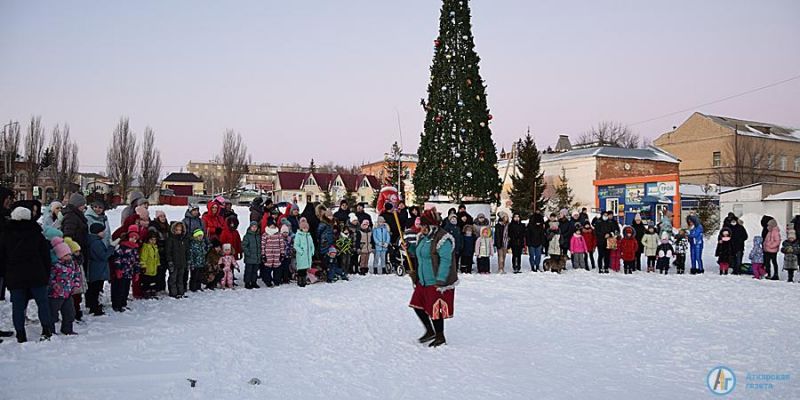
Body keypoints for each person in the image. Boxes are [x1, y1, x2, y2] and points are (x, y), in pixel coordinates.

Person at [0, 206, 53, 342]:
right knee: (42, 303)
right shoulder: (36, 233)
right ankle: (46, 330)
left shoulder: (6, 234)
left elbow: (2, 258)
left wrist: (6, 276)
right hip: (36, 274)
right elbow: (45, 256)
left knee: (17, 306)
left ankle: (20, 334)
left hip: (15, 275)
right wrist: (46, 274)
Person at [409, 208, 456, 348]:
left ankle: (440, 336)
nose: (421, 228)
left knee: (436, 310)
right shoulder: (423, 237)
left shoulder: (443, 239)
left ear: (431, 226)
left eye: (423, 226)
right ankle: (430, 331)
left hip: (435, 281)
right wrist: (410, 249)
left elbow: (446, 260)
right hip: (422, 280)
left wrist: (440, 279)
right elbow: (420, 253)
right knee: (417, 305)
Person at [48, 237, 81, 335]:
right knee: (53, 313)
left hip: (68, 293)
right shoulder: (56, 266)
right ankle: (50, 330)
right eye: (65, 255)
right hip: (56, 294)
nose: (68, 257)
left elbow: (77, 274)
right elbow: (50, 278)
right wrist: (54, 285)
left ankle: (67, 329)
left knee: (70, 313)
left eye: (69, 254)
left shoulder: (73, 264)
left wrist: (76, 284)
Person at [111, 225, 141, 312]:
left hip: (129, 272)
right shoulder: (122, 247)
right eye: (132, 237)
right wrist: (118, 269)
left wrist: (137, 272)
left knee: (126, 289)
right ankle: (117, 305)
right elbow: (117, 259)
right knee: (119, 288)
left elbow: (136, 261)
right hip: (121, 272)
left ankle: (123, 303)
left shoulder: (135, 248)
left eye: (135, 238)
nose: (133, 239)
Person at [86, 223, 114, 315]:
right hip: (98, 269)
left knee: (93, 289)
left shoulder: (91, 240)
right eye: (102, 231)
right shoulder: (96, 242)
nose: (104, 233)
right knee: (96, 289)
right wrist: (111, 248)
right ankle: (95, 308)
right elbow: (103, 256)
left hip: (94, 268)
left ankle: (92, 305)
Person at [149, 210, 170, 292]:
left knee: (163, 270)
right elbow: (153, 238)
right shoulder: (154, 226)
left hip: (165, 250)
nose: (163, 218)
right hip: (157, 250)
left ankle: (162, 287)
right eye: (161, 216)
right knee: (157, 270)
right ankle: (156, 287)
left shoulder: (167, 226)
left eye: (164, 216)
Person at [261, 218, 285, 287]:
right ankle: (268, 281)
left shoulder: (279, 234)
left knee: (277, 269)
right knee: (267, 269)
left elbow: (281, 244)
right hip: (268, 254)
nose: (273, 226)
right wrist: (263, 254)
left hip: (277, 254)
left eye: (274, 225)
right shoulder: (265, 234)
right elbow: (263, 245)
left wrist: (282, 253)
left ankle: (276, 281)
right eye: (271, 225)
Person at [294, 217, 315, 287]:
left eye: (306, 228)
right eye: (304, 228)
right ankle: (300, 281)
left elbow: (312, 245)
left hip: (308, 255)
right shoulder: (298, 235)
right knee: (301, 270)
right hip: (302, 256)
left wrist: (312, 252)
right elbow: (296, 245)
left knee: (305, 269)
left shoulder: (309, 235)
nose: (306, 229)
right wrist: (301, 252)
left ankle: (304, 280)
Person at [241, 221, 262, 289]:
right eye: (253, 227)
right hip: (249, 257)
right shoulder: (247, 236)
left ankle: (254, 282)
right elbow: (244, 246)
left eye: (255, 227)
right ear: (250, 227)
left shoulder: (259, 236)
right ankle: (247, 282)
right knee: (248, 271)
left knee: (255, 271)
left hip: (257, 257)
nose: (254, 228)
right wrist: (248, 253)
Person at [139, 232, 160, 298]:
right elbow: (143, 257)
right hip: (147, 268)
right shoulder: (146, 247)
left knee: (153, 280)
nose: (153, 241)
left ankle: (152, 291)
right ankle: (146, 292)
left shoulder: (155, 247)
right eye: (151, 239)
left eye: (154, 240)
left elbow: (157, 257)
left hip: (154, 268)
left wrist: (158, 264)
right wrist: (143, 266)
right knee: (146, 281)